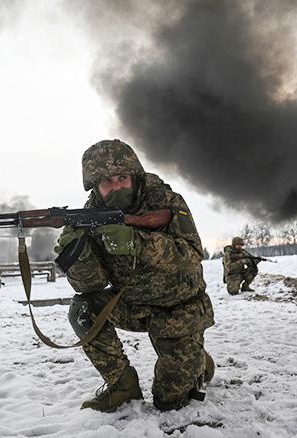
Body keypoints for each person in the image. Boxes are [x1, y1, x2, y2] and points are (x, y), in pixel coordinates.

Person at [56, 139, 215, 413]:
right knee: (83, 309)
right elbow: (91, 285)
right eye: (106, 182)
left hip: (179, 310)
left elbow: (191, 256)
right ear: (95, 186)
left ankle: (196, 360)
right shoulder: (90, 215)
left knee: (169, 403)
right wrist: (78, 254)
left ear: (134, 175)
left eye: (122, 178)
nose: (116, 186)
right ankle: (122, 386)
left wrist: (136, 242)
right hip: (132, 306)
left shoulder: (165, 201)